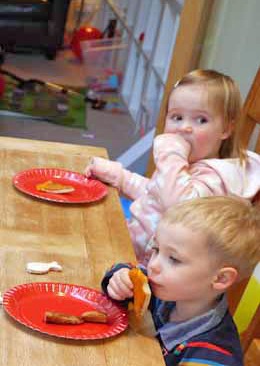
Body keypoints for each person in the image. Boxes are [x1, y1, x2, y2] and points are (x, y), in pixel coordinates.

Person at [101, 196, 260, 366]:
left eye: (173, 259)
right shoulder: (168, 292)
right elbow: (126, 272)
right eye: (156, 249)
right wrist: (119, 280)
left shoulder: (213, 360)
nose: (154, 265)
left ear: (220, 279)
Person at [85, 69, 260, 266]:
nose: (184, 127)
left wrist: (171, 155)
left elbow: (178, 208)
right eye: (177, 117)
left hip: (154, 271)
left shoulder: (218, 178)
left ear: (226, 129)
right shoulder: (183, 166)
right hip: (131, 246)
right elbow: (156, 194)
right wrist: (120, 178)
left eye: (201, 120)